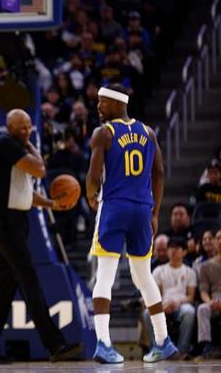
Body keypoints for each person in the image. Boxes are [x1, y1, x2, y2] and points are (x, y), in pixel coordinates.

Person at [0, 109, 82, 363]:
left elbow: (25, 193)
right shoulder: (4, 143)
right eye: (22, 127)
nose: (27, 131)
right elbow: (41, 170)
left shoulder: (16, 150)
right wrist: (32, 145)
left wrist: (52, 204)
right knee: (28, 278)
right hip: (4, 220)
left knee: (5, 286)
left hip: (16, 220)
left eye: (29, 127)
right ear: (9, 127)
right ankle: (55, 345)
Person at [86, 84, 178, 363]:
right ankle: (163, 341)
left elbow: (93, 174)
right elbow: (159, 172)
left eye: (102, 102)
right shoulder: (148, 132)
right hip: (142, 209)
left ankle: (103, 343)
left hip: (114, 206)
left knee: (104, 276)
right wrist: (155, 213)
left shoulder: (104, 132)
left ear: (117, 104)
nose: (98, 107)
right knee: (144, 276)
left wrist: (91, 195)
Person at [143, 238, 196, 357]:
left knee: (190, 312)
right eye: (171, 248)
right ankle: (157, 348)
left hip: (182, 304)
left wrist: (177, 302)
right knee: (147, 313)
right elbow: (155, 295)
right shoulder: (158, 271)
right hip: (163, 304)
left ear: (184, 252)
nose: (173, 251)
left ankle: (181, 350)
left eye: (177, 248)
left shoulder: (190, 272)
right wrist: (164, 305)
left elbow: (190, 297)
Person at [196, 229, 221, 359]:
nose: (220, 241)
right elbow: (203, 290)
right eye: (218, 238)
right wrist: (209, 301)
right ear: (215, 242)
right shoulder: (205, 266)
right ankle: (206, 346)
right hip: (215, 299)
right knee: (202, 308)